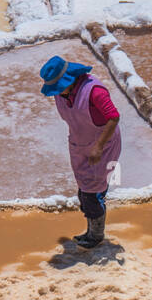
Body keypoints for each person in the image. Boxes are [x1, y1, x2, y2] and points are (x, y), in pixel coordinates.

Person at [39, 55, 121, 248]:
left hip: (102, 145)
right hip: (79, 143)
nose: (57, 93)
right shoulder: (63, 93)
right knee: (84, 191)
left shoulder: (95, 92)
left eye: (59, 88)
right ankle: (91, 230)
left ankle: (96, 236)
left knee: (92, 193)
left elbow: (114, 117)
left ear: (70, 79)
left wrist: (99, 146)